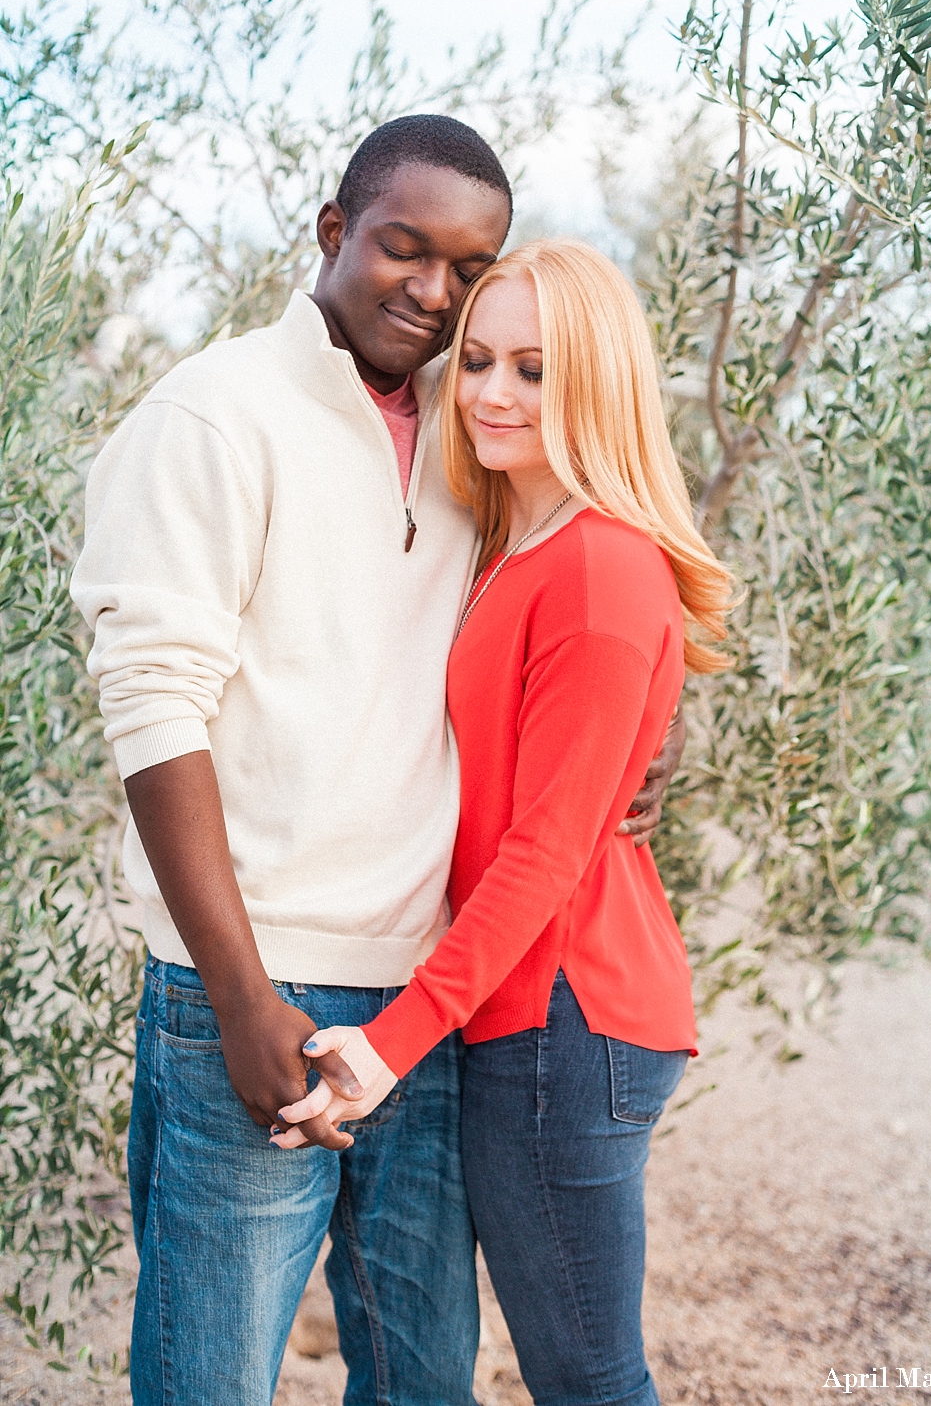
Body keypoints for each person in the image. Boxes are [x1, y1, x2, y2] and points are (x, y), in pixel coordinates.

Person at [70, 118, 684, 1406]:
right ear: (334, 234)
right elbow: (154, 705)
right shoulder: (214, 414)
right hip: (255, 986)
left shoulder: (472, 454)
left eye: (470, 268)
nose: (435, 294)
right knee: (211, 1376)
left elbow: (571, 672)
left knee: (421, 1377)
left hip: (432, 997)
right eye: (404, 248)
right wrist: (239, 997)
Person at [271, 239, 733, 1406]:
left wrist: (390, 1042)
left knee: (583, 1374)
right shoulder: (511, 547)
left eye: (533, 369)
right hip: (527, 1006)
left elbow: (546, 849)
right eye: (476, 360)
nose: (488, 393)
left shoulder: (597, 569)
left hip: (561, 1016)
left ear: (596, 384)